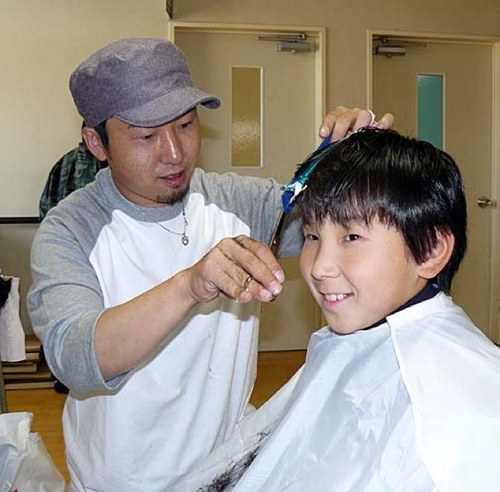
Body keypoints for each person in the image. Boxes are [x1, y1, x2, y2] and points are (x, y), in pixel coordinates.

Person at [27, 37, 393, 491]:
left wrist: (364, 157)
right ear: (95, 143)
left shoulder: (238, 204)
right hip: (120, 481)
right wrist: (189, 286)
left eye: (185, 125)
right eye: (145, 136)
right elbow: (75, 358)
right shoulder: (69, 231)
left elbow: (353, 226)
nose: (174, 153)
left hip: (228, 468)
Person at [171, 128, 500, 492]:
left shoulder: (465, 407)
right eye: (312, 236)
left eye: (352, 237)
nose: (318, 267)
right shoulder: (352, 338)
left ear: (430, 250)